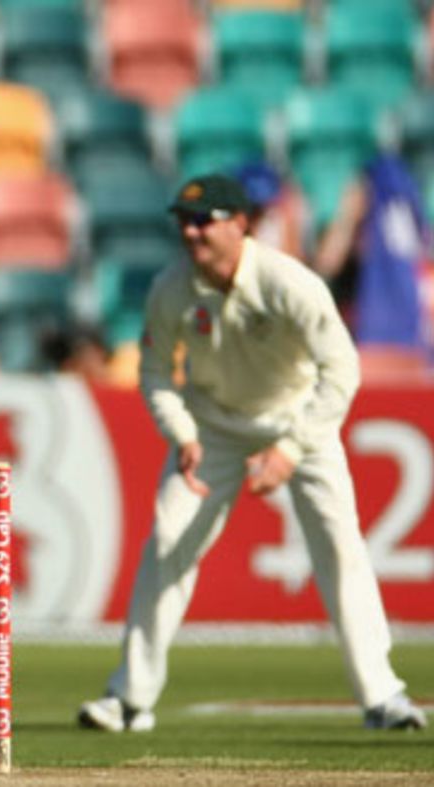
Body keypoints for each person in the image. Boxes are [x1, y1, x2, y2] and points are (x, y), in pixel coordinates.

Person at [77, 174, 427, 734]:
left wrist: (290, 449)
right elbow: (154, 372)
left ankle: (382, 695)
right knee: (169, 541)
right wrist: (182, 434)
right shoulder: (172, 288)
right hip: (211, 425)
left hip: (296, 421)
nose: (191, 232)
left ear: (241, 224)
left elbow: (342, 370)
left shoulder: (290, 282)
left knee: (340, 545)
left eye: (204, 220)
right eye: (184, 222)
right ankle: (129, 698)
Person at [313, 153, 431, 353]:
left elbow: (326, 263)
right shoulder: (351, 234)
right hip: (368, 341)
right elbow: (326, 264)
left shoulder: (400, 244)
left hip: (388, 345)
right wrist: (348, 216)